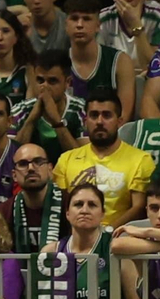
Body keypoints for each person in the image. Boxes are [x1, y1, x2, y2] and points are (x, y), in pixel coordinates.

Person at [53, 92, 154, 227]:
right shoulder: (66, 159)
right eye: (94, 115)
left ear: (119, 121)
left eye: (107, 115)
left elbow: (139, 207)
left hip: (119, 238)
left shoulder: (141, 160)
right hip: (76, 236)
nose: (100, 122)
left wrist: (105, 235)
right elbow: (59, 206)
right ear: (85, 121)